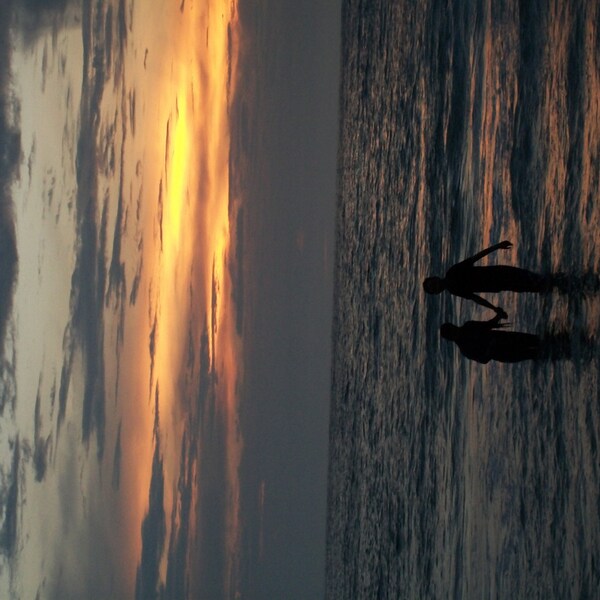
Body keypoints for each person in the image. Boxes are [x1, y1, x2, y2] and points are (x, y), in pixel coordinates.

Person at [423, 241, 549, 317]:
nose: (435, 286)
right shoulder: (454, 290)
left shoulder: (452, 272)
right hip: (498, 285)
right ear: (437, 293)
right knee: (532, 286)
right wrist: (493, 308)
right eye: (433, 289)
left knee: (531, 279)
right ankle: (559, 285)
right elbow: (475, 298)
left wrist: (497, 246)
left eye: (433, 283)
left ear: (435, 278)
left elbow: (474, 258)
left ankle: (557, 282)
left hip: (498, 272)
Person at [440, 314, 541, 363]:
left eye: (452, 328)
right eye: (452, 332)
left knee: (536, 342)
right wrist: (490, 348)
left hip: (507, 338)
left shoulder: (468, 326)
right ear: (451, 338)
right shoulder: (465, 349)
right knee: (535, 352)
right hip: (504, 353)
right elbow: (483, 360)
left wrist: (498, 316)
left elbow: (488, 325)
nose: (455, 330)